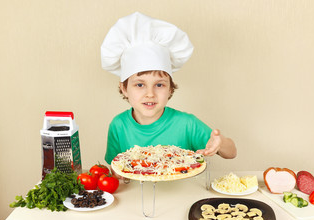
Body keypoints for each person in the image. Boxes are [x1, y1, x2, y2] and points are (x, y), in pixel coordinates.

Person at [101, 12, 237, 166]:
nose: (150, 94)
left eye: (159, 85)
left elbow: (231, 153)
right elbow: (115, 169)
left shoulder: (187, 124)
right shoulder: (118, 126)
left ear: (171, 88)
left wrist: (220, 143)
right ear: (124, 88)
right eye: (140, 85)